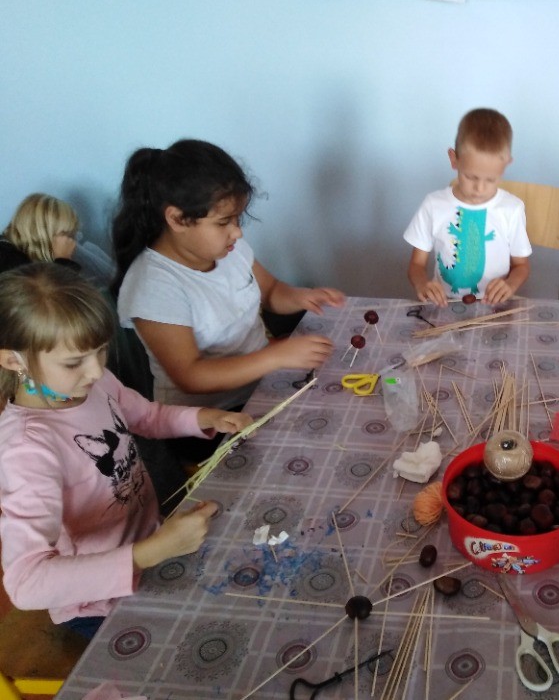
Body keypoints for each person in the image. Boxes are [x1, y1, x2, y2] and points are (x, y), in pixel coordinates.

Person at [0, 263, 253, 640]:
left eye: (100, 351)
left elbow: (147, 416)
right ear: (12, 360)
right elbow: (26, 583)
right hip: (98, 600)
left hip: (152, 543)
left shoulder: (93, 382)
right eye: (74, 362)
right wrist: (150, 553)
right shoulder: (26, 449)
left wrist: (204, 417)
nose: (94, 371)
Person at [111, 139, 344, 458]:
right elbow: (191, 376)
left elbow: (272, 292)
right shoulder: (153, 285)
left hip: (263, 386)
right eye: (224, 222)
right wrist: (275, 357)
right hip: (211, 422)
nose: (237, 232)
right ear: (177, 219)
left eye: (237, 219)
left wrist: (302, 296)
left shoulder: (228, 250)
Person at [404, 108, 532, 306]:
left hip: (494, 307)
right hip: (445, 305)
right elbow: (416, 264)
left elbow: (521, 266)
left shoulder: (512, 209)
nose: (479, 189)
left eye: (491, 180)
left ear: (506, 165)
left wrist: (510, 285)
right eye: (470, 177)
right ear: (454, 159)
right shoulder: (433, 205)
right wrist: (422, 284)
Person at [0, 192, 81, 274]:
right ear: (43, 232)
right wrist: (64, 260)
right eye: (67, 234)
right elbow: (54, 283)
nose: (71, 243)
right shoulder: (12, 262)